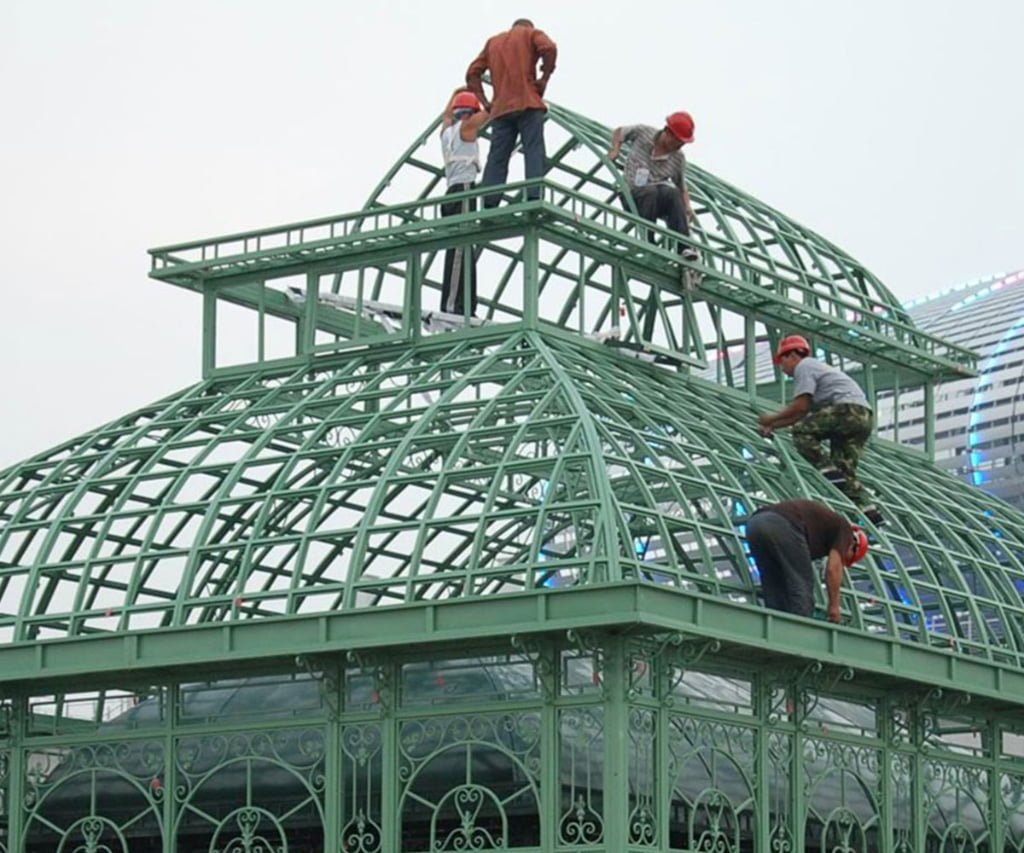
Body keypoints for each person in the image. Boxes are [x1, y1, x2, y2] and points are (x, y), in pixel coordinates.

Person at [758, 334, 883, 525]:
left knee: (801, 432)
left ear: (792, 355)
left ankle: (826, 469)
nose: (783, 370)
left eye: (782, 362)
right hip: (864, 417)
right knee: (845, 471)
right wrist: (773, 426)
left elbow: (800, 408)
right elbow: (802, 414)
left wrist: (770, 418)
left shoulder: (804, 366)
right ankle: (870, 511)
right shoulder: (820, 369)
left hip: (847, 411)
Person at [466, 19, 557, 207]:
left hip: (501, 110)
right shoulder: (530, 34)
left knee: (497, 157)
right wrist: (544, 78)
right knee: (533, 150)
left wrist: (485, 101)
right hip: (528, 103)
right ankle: (534, 195)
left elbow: (472, 73)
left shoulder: (493, 43)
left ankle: (490, 201)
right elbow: (549, 47)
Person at [745, 499, 870, 622]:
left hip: (754, 525)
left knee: (774, 586)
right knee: (802, 584)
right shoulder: (846, 531)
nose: (843, 559)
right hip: (783, 525)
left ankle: (775, 626)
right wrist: (834, 607)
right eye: (847, 558)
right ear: (853, 545)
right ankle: (800, 630)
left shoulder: (821, 534)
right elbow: (833, 569)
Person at [607, 113, 700, 262]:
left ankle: (684, 247)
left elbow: (682, 187)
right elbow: (619, 132)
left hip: (655, 201)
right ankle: (648, 241)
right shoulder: (643, 133)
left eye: (683, 143)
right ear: (667, 132)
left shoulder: (678, 158)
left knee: (672, 193)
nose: (680, 146)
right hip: (632, 196)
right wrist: (615, 150)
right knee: (650, 191)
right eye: (678, 141)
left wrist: (687, 207)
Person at [438, 88, 489, 317]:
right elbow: (489, 113)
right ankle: (452, 306)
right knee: (460, 248)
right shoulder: (466, 128)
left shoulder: (447, 132)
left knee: (464, 248)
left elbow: (446, 115)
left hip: (453, 190)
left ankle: (466, 305)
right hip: (464, 190)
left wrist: (457, 91)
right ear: (469, 113)